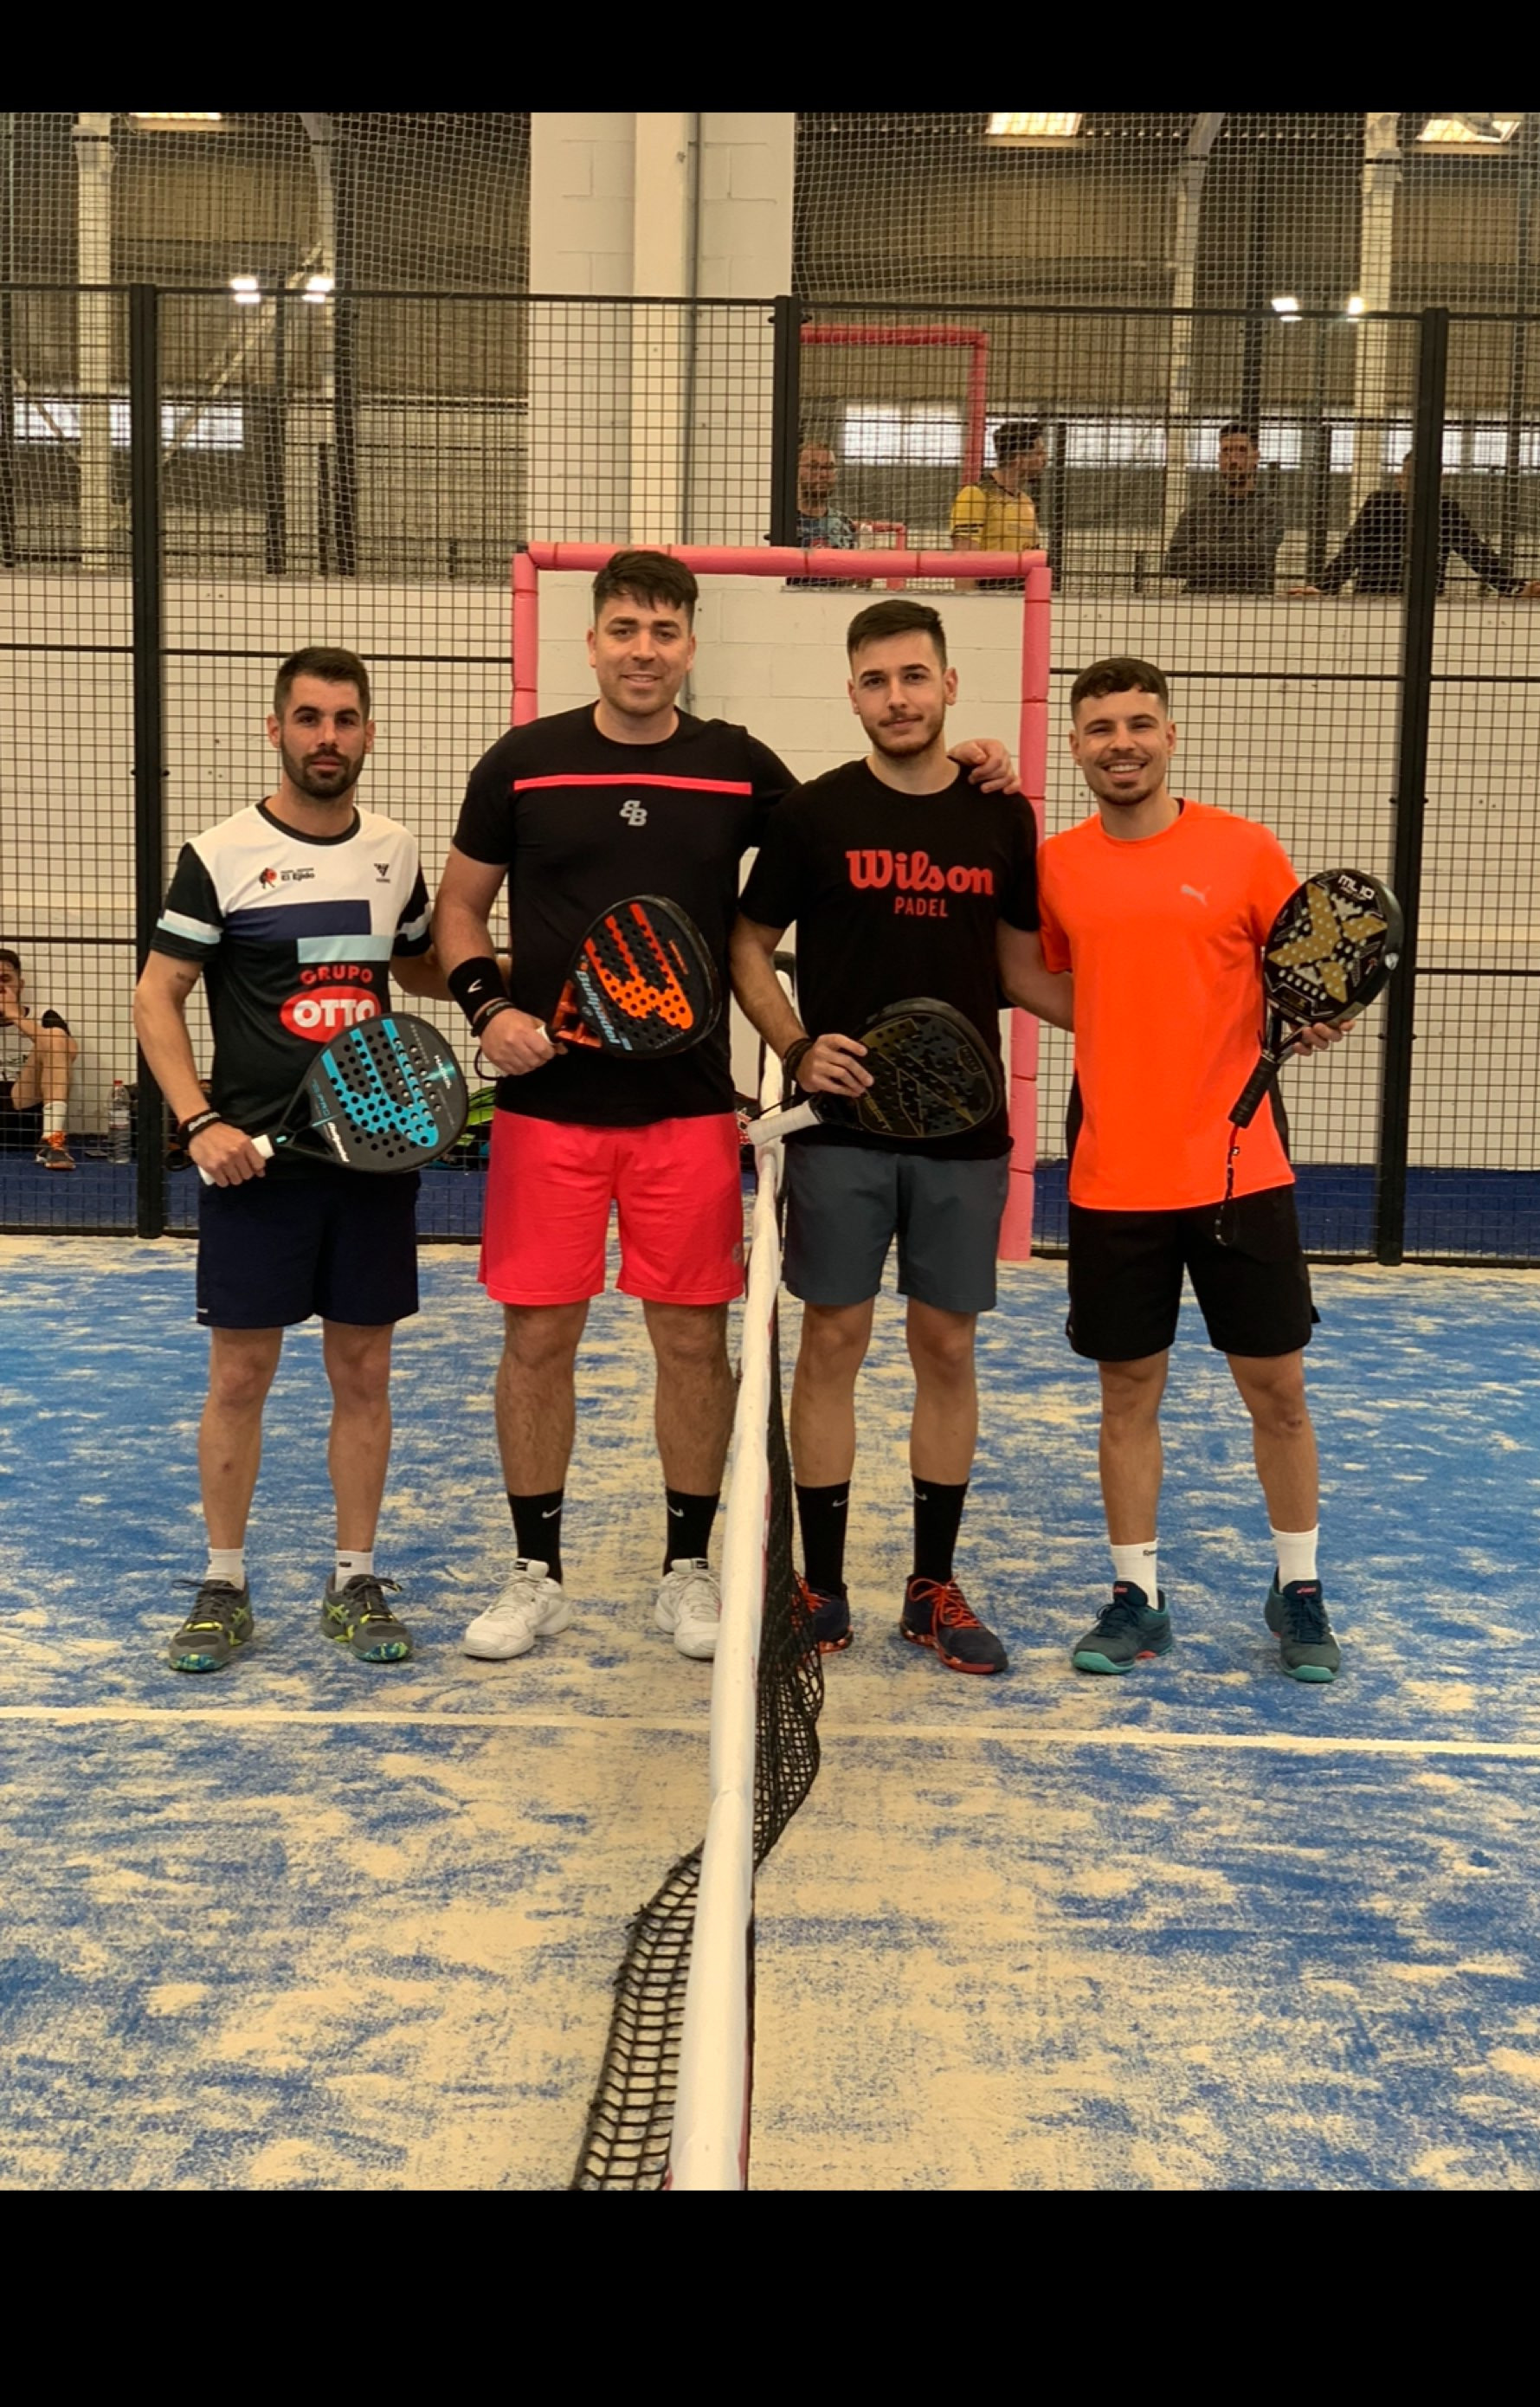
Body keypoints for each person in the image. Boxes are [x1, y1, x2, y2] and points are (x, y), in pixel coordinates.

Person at [431, 550, 1020, 1670]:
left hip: (689, 1112)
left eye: (664, 630)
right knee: (537, 1338)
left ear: (690, 645)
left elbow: (861, 822)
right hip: (548, 1111)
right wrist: (485, 1007)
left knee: (693, 1344)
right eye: (623, 629)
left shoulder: (738, 765)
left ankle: (686, 1569)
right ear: (592, 642)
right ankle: (535, 1574)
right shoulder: (523, 762)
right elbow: (461, 907)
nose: (643, 649)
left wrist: (969, 766)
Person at [731, 597, 1073, 1674]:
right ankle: (822, 1585)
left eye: (914, 676)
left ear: (949, 684)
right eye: (876, 680)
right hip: (842, 1130)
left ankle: (932, 1586)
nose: (897, 697)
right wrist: (796, 1046)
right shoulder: (813, 814)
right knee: (833, 1340)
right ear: (853, 694)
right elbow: (746, 943)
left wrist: (1162, 1013)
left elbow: (1020, 969)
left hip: (965, 1134)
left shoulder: (1000, 816)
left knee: (947, 1347)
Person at [1037, 655, 1354, 1686]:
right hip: (1113, 1177)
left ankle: (1299, 1588)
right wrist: (1119, 1019)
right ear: (1077, 746)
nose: (1121, 743)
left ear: (1169, 736)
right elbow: (1033, 970)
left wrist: (1320, 1018)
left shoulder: (1243, 849)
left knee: (1280, 1392)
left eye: (1139, 724)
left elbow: (1311, 970)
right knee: (1127, 1392)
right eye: (1100, 728)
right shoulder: (1058, 865)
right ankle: (1138, 1596)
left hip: (1238, 1170)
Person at [132, 648, 446, 1675]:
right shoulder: (220, 853)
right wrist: (197, 1122)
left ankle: (354, 1579)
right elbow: (156, 995)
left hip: (372, 1158)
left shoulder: (395, 852)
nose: (328, 737)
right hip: (254, 1170)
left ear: (368, 733)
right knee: (240, 1375)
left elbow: (415, 965)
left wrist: (512, 965)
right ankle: (223, 1583)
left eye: (345, 719)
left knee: (364, 1372)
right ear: (276, 729)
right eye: (309, 718)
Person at [1309, 452, 1540, 598]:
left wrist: (1517, 588)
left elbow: (1476, 553)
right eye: (1412, 479)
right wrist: (1322, 588)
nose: (1419, 487)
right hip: (1372, 599)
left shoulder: (1445, 510)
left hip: (1427, 603)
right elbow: (1352, 551)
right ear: (1400, 480)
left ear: (1440, 481)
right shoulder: (1379, 504)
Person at [1163, 424, 1290, 597]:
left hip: (1250, 602)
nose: (1233, 460)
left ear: (1256, 457)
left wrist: (1200, 550)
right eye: (1226, 452)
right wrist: (1241, 551)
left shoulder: (1270, 507)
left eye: (1241, 451)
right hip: (1197, 601)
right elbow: (1172, 564)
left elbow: (1260, 555)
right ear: (1219, 458)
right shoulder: (1198, 508)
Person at [0, 947, 78, 1168]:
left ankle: (52, 1141)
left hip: (25, 1109)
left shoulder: (43, 1017)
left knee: (54, 1037)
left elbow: (70, 1051)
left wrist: (15, 1017)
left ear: (20, 985)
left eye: (5, 980)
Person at [949, 417, 1047, 584]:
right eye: (1039, 453)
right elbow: (964, 561)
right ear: (1019, 459)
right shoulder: (976, 495)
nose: (1045, 459)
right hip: (990, 592)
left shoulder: (1026, 501)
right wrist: (966, 598)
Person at [794, 441, 857, 553]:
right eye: (813, 467)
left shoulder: (845, 523)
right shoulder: (785, 524)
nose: (823, 474)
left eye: (829, 467)